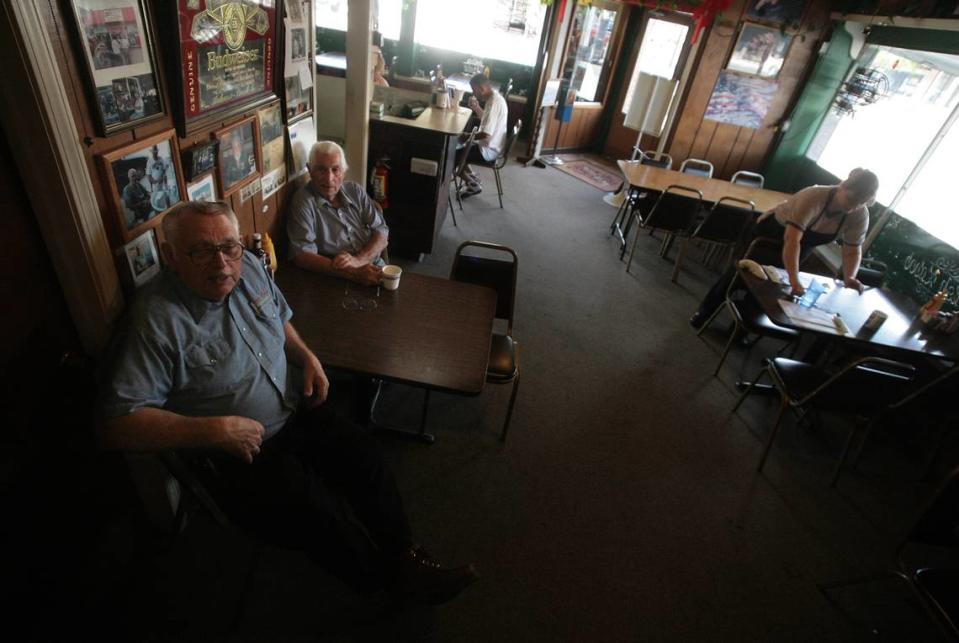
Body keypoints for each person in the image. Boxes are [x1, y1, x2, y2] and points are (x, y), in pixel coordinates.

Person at [98, 200, 478, 603]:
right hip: (240, 450)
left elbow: (279, 319)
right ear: (171, 255)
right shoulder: (154, 321)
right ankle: (383, 585)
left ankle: (404, 557)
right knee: (318, 513)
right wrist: (214, 429)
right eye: (201, 251)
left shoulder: (252, 269)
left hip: (292, 408)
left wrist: (307, 356)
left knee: (365, 456)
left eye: (229, 247)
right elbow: (117, 424)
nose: (223, 263)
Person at [690, 167, 880, 329]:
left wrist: (850, 276)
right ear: (843, 186)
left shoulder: (860, 215)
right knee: (738, 275)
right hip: (768, 236)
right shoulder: (814, 196)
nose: (852, 207)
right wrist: (794, 279)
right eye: (851, 200)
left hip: (802, 246)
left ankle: (741, 329)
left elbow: (853, 250)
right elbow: (792, 240)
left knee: (772, 289)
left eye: (859, 203)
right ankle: (704, 314)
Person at [287, 141, 389, 286]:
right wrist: (353, 272)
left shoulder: (355, 190)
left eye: (335, 169)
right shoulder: (303, 201)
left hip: (374, 264)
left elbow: (382, 233)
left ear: (344, 171)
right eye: (321, 170)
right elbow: (301, 255)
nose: (329, 178)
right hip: (337, 278)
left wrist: (358, 261)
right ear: (310, 170)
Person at [455, 73, 508, 199]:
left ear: (482, 88)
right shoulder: (495, 98)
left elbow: (486, 135)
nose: (473, 93)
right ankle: (472, 176)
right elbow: (487, 120)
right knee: (461, 146)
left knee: (453, 156)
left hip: (489, 150)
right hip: (492, 145)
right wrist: (476, 107)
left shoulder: (493, 103)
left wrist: (466, 136)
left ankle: (472, 184)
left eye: (474, 90)